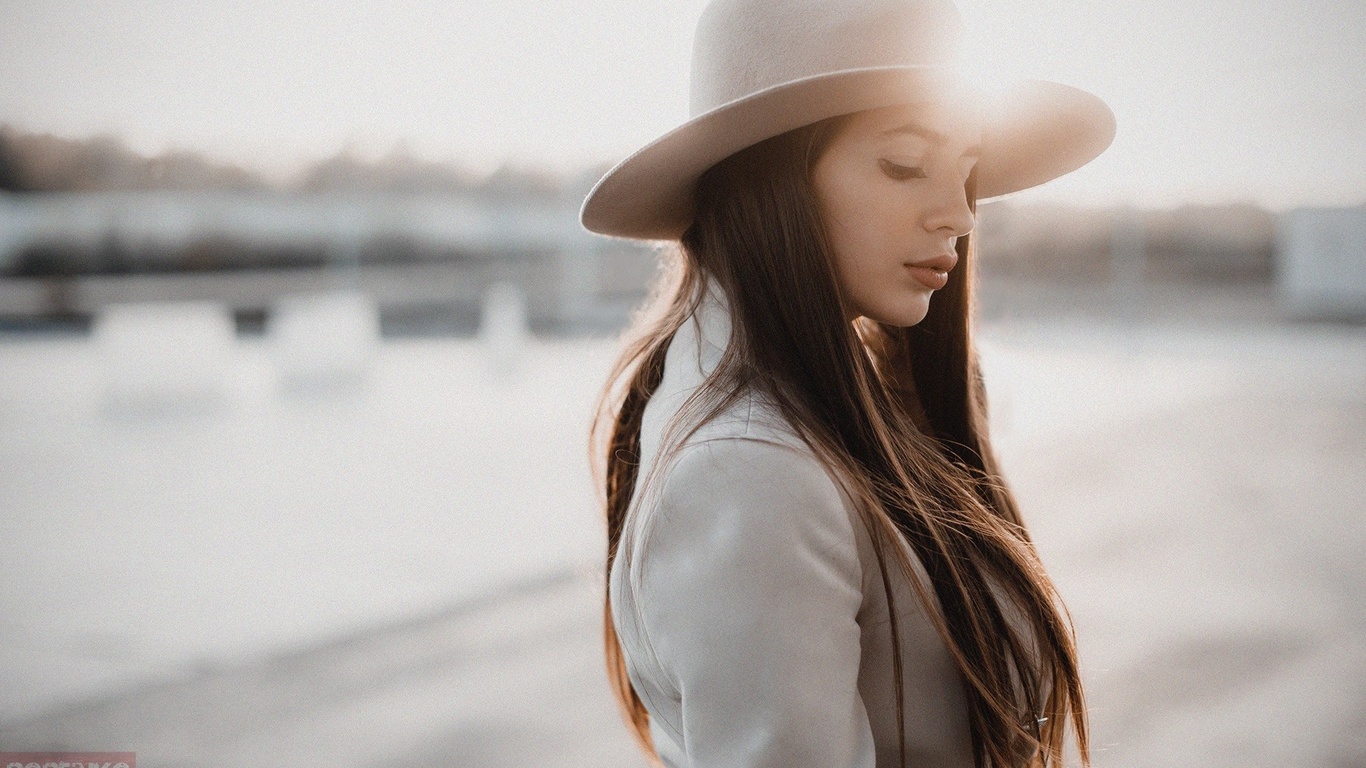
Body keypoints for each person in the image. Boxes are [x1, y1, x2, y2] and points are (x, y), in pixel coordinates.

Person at [582, 0, 1115, 765]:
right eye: (905, 163)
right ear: (772, 177)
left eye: (968, 172)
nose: (960, 216)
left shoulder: (853, 393)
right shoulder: (754, 472)